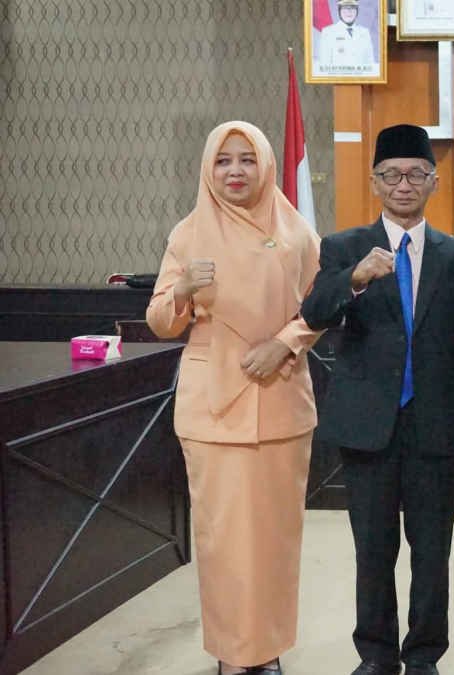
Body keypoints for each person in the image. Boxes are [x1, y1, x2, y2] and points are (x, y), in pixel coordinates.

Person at [300, 124, 454, 675]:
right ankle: (376, 655)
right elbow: (313, 314)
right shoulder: (343, 247)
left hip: (435, 422)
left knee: (432, 551)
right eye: (391, 175)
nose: (403, 185)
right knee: (373, 550)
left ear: (433, 181)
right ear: (375, 182)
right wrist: (355, 279)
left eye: (414, 174)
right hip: (367, 425)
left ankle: (425, 654)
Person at [146, 121, 323, 675]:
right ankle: (230, 653)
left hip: (280, 400)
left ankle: (265, 650)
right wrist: (179, 292)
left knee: (273, 540)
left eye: (248, 159)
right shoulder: (187, 233)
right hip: (211, 408)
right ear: (208, 169)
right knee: (223, 541)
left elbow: (320, 307)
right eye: (224, 161)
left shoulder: (297, 232)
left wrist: (285, 343)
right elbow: (159, 323)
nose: (236, 171)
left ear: (267, 164)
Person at [318, 0, 377, 74]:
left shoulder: (364, 32)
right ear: (339, 11)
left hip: (361, 81)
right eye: (345, 8)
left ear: (357, 11)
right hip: (337, 81)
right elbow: (324, 66)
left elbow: (369, 63)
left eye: (352, 8)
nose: (349, 12)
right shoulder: (328, 32)